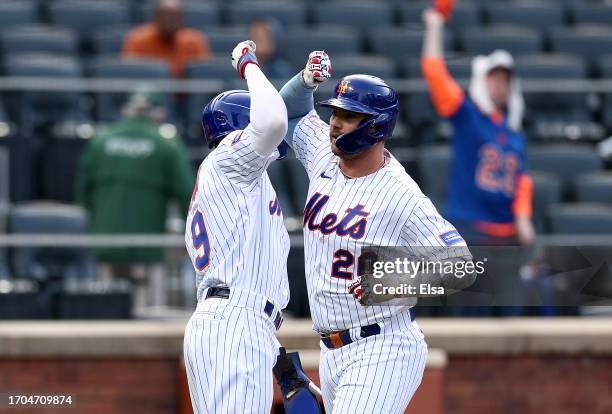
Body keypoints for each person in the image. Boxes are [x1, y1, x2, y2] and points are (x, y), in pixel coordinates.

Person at [279, 52, 474, 413]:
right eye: (334, 112)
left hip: (382, 346)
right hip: (331, 350)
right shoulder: (326, 153)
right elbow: (286, 113)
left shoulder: (400, 193)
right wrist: (305, 81)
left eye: (348, 116)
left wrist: (392, 280)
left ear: (375, 126)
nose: (335, 123)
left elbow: (460, 265)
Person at [182, 40, 291, 414]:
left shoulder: (238, 178)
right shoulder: (230, 159)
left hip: (228, 320)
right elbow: (275, 119)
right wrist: (247, 64)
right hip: (237, 322)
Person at [421, 8, 535, 247]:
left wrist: (523, 217)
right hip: (469, 227)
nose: (499, 85)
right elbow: (435, 74)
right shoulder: (467, 115)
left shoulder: (514, 131)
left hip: (507, 232)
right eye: (494, 79)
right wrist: (435, 26)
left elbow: (522, 179)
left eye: (505, 81)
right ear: (482, 81)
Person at [76, 87, 194, 309]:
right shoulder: (167, 145)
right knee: (150, 312)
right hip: (148, 246)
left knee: (106, 307)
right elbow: (187, 194)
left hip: (105, 242)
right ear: (158, 113)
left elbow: (83, 192)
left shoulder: (100, 141)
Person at [122, 0, 212, 78]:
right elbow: (130, 74)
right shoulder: (138, 39)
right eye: (164, 16)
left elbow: (203, 74)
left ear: (181, 18)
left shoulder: (194, 41)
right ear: (156, 17)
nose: (169, 21)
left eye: (174, 16)